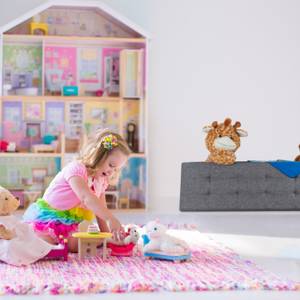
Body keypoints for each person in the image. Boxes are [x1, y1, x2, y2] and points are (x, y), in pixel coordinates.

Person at [23, 129, 131, 252]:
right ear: (98, 155)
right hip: (49, 218)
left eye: (116, 169)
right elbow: (86, 198)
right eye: (111, 165)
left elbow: (101, 210)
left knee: (78, 246)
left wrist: (109, 236)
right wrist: (111, 219)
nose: (112, 171)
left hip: (70, 222)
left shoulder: (101, 180)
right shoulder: (76, 169)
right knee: (40, 246)